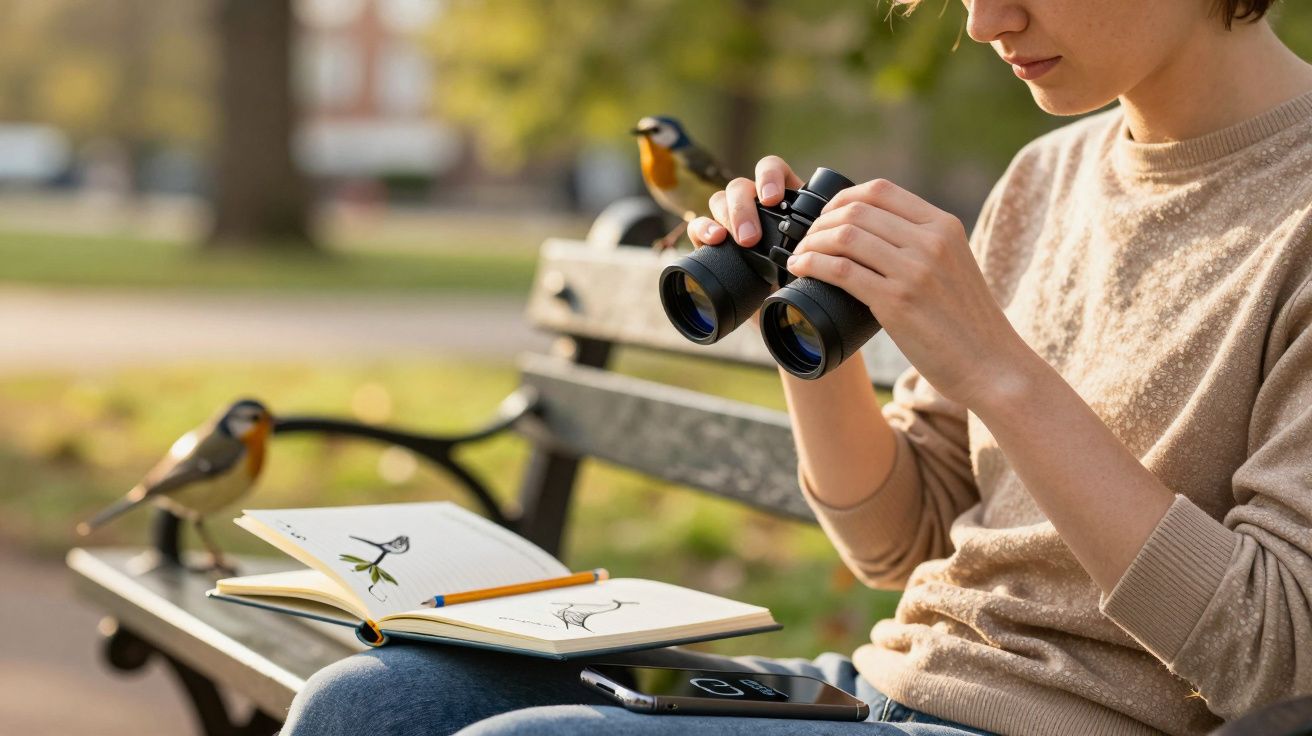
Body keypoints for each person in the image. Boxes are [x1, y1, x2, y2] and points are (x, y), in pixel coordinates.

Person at [283, 1, 1312, 733]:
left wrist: (999, 369)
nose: (982, 21)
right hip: (887, 688)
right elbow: (902, 544)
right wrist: (808, 326)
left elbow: (1270, 652)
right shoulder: (1046, 174)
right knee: (367, 704)